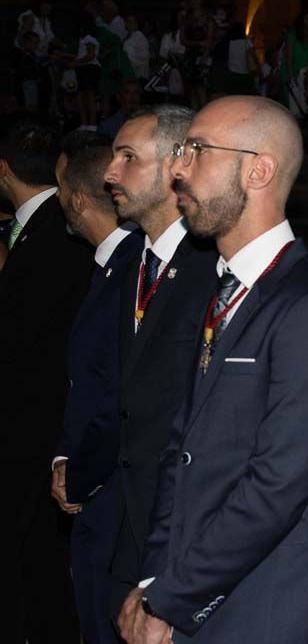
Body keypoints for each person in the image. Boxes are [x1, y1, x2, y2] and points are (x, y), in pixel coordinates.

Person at [117, 96, 308, 642]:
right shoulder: (223, 290)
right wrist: (153, 574)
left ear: (258, 169)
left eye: (197, 151)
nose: (179, 168)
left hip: (269, 608)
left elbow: (275, 490)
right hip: (196, 593)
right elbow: (179, 450)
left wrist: (169, 597)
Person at [103, 106, 220, 618]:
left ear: (178, 164)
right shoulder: (129, 263)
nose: (109, 172)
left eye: (128, 157)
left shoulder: (215, 267)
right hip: (132, 513)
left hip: (191, 521)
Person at [0, 120, 93, 644]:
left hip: (31, 419)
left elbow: (15, 335)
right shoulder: (52, 228)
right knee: (39, 550)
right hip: (44, 415)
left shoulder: (54, 235)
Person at [51, 130, 140, 644]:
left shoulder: (130, 269)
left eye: (61, 189)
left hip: (112, 483)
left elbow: (117, 388)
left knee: (105, 614)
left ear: (78, 200)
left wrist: (79, 472)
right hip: (96, 471)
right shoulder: (110, 265)